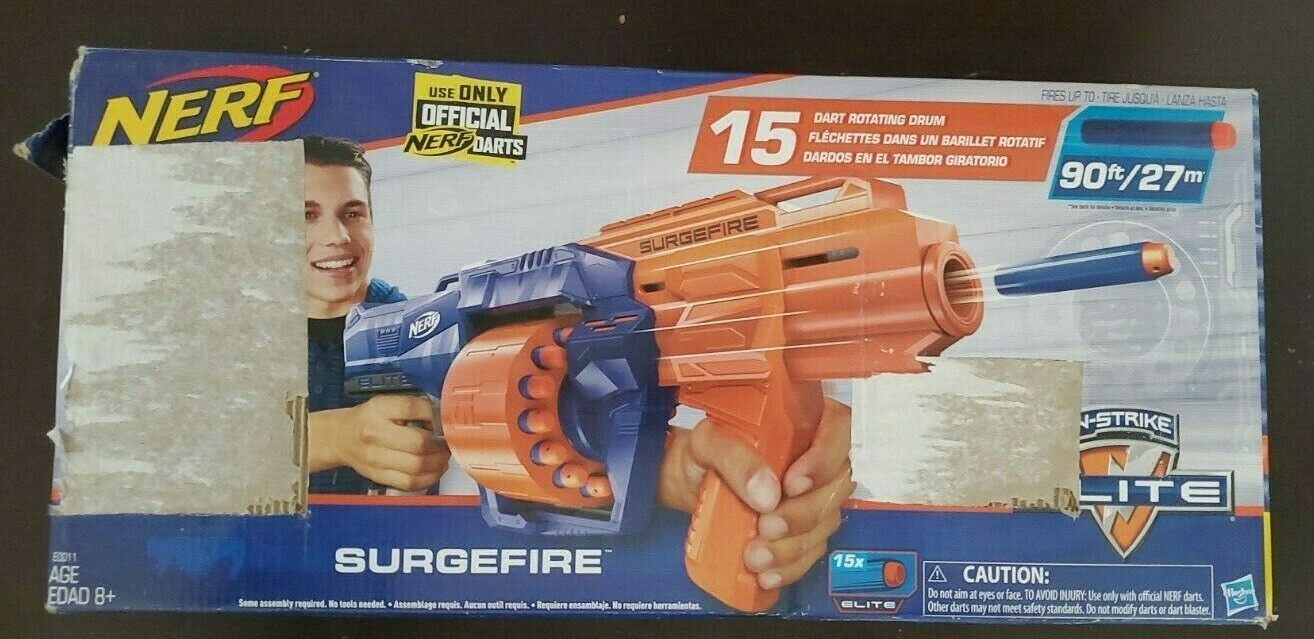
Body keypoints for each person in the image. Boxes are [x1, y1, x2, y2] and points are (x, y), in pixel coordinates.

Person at [299, 135, 853, 591]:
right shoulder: (249, 331)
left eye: (353, 213)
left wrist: (661, 469)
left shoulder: (401, 311)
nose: (337, 237)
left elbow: (546, 399)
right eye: (305, 215)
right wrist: (333, 438)